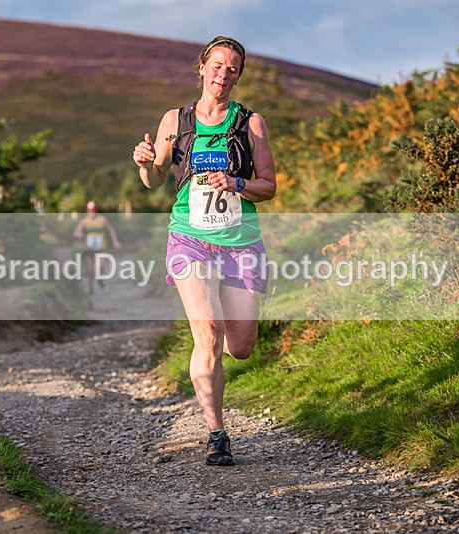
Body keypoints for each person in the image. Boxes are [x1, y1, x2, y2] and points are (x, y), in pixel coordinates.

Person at [132, 36, 277, 466]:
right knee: (208, 335)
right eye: (216, 66)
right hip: (189, 239)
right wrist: (144, 163)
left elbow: (268, 187)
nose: (223, 75)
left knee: (241, 346)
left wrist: (237, 183)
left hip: (240, 241)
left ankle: (217, 405)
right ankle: (217, 433)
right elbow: (156, 179)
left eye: (232, 69)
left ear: (238, 75)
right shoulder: (174, 120)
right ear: (201, 67)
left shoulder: (251, 124)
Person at [72, 200, 121, 293]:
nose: (92, 212)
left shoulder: (102, 220)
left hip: (100, 248)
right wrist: (77, 234)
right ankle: (91, 289)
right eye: (90, 210)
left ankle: (100, 280)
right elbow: (76, 232)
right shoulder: (84, 222)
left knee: (101, 267)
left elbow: (111, 230)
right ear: (87, 210)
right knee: (91, 271)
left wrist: (115, 242)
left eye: (94, 209)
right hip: (88, 250)